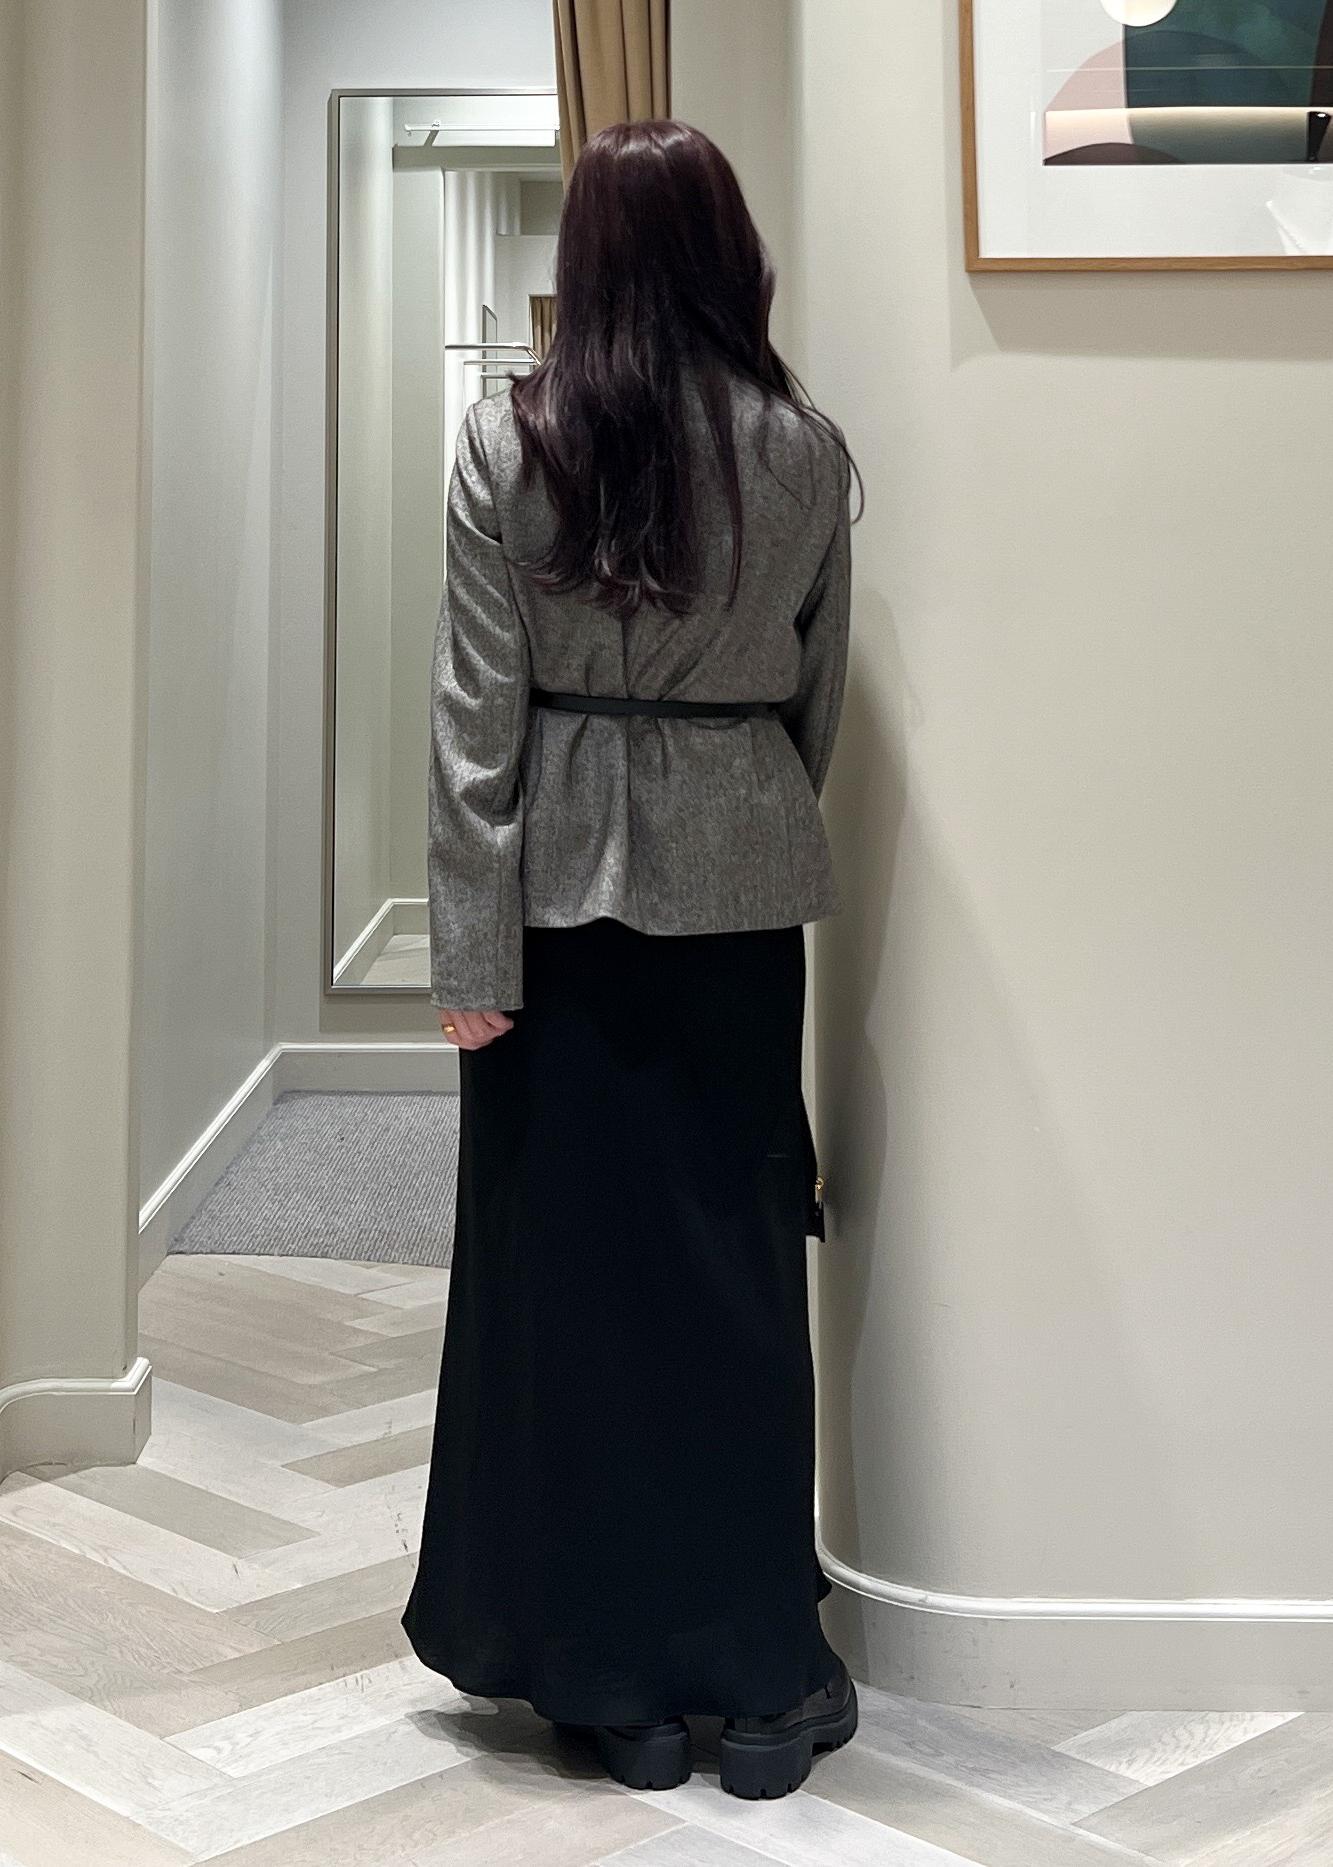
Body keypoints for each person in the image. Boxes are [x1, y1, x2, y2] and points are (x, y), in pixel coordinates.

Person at [400, 117, 861, 1802]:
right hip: (739, 897)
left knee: (562, 1283)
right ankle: (756, 1674)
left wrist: (467, 952)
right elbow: (817, 691)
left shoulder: (505, 440)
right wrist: (745, 819)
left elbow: (473, 723)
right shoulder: (801, 444)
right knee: (734, 1269)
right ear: (729, 249)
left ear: (584, 254)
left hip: (548, 913)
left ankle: (613, 1685)